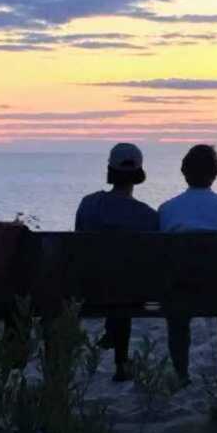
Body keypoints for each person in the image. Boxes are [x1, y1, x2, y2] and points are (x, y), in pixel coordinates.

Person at [158, 144, 217, 389]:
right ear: (215, 173)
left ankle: (181, 373)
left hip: (180, 292)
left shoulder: (167, 210)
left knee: (177, 316)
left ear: (184, 172)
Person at [75, 142, 158, 381]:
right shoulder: (148, 216)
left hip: (87, 289)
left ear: (109, 169)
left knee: (112, 276)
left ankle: (112, 333)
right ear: (139, 174)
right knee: (126, 280)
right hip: (134, 295)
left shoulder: (88, 204)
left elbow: (79, 244)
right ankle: (121, 364)